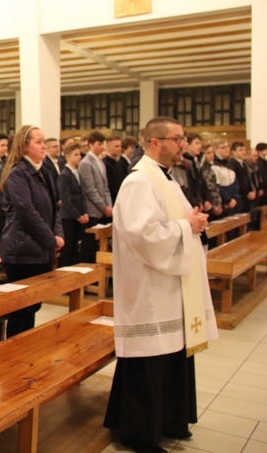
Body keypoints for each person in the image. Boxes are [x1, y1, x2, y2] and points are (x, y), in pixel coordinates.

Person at [104, 117, 217, 453]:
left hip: (170, 286)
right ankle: (139, 432)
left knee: (170, 355)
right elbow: (144, 234)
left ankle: (168, 421)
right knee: (149, 358)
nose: (182, 144)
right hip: (151, 289)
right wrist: (187, 225)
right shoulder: (140, 181)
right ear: (156, 142)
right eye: (177, 139)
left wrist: (191, 222)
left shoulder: (165, 179)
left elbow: (173, 221)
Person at [0, 125, 63, 336]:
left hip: (39, 250)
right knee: (22, 310)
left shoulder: (42, 171)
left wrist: (58, 234)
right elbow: (27, 212)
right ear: (25, 146)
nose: (44, 146)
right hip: (22, 252)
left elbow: (54, 207)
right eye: (39, 142)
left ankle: (26, 352)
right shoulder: (18, 173)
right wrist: (50, 240)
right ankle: (14, 356)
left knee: (33, 307)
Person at [78, 130, 112, 263]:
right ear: (90, 144)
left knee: (100, 244)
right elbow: (90, 189)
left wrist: (109, 205)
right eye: (99, 144)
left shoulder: (100, 162)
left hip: (103, 209)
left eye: (102, 144)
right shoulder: (86, 163)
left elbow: (105, 187)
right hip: (92, 209)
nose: (101, 147)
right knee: (89, 244)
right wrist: (104, 207)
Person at [58, 143, 89, 267]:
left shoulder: (76, 172)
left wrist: (85, 212)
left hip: (77, 216)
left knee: (75, 248)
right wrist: (77, 216)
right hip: (68, 218)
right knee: (68, 249)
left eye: (79, 154)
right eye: (75, 155)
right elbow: (66, 200)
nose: (79, 157)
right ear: (67, 156)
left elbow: (81, 195)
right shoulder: (64, 175)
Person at [103, 135, 127, 203]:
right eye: (116, 146)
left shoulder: (119, 164)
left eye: (120, 146)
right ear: (108, 148)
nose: (120, 148)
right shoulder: (105, 164)